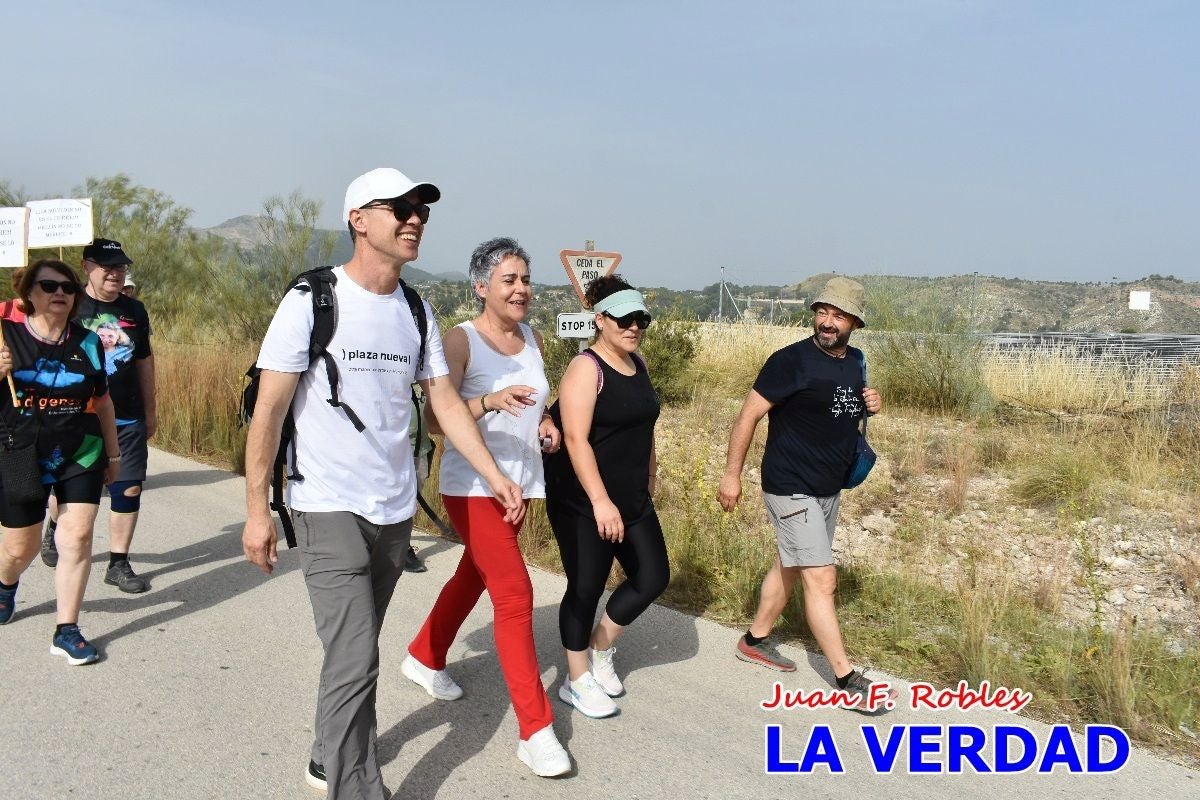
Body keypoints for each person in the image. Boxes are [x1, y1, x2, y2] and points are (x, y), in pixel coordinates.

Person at [241, 167, 525, 800]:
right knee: (355, 658)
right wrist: (257, 509)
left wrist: (493, 474)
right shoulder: (313, 301)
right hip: (324, 504)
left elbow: (446, 403)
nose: (413, 217)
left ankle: (324, 753)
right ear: (358, 219)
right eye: (397, 207)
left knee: (357, 647)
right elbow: (269, 411)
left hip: (394, 511)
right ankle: (357, 786)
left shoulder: (416, 310)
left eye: (420, 208)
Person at [404, 237, 570, 777]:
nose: (522, 289)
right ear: (481, 287)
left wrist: (543, 424)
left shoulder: (533, 338)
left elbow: (537, 403)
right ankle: (535, 730)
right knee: (516, 593)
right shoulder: (460, 341)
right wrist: (488, 401)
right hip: (471, 485)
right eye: (509, 280)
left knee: (474, 574)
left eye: (526, 279)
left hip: (520, 483)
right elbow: (436, 420)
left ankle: (424, 655)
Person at [717, 275, 895, 713]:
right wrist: (731, 475)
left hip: (827, 487)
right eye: (822, 312)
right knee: (822, 577)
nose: (828, 321)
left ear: (854, 321)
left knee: (792, 566)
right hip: (789, 484)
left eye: (838, 314)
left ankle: (754, 639)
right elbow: (748, 417)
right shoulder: (790, 361)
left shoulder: (856, 362)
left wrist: (871, 402)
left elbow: (843, 412)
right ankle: (847, 679)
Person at [543, 274, 669, 719]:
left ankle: (600, 648)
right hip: (584, 501)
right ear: (600, 320)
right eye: (623, 319)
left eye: (641, 319)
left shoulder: (641, 364)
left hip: (632, 497)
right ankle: (576, 680)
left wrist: (651, 474)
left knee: (652, 577)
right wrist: (600, 501)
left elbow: (645, 425)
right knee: (585, 587)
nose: (633, 327)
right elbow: (576, 440)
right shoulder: (586, 369)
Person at [0, 259, 120, 664]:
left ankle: (66, 629)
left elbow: (102, 402)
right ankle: (5, 584)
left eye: (67, 287)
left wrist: (114, 453)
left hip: (80, 451)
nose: (59, 294)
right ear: (28, 293)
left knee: (78, 537)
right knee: (21, 549)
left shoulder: (88, 342)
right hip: (19, 452)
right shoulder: (5, 336)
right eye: (48, 286)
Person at [40, 239, 157, 596]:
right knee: (72, 489)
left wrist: (150, 410)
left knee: (129, 485)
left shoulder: (134, 311)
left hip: (127, 417)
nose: (115, 273)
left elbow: (144, 361)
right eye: (106, 266)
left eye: (120, 266)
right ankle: (55, 525)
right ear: (86, 266)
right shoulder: (70, 306)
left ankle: (118, 564)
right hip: (78, 417)